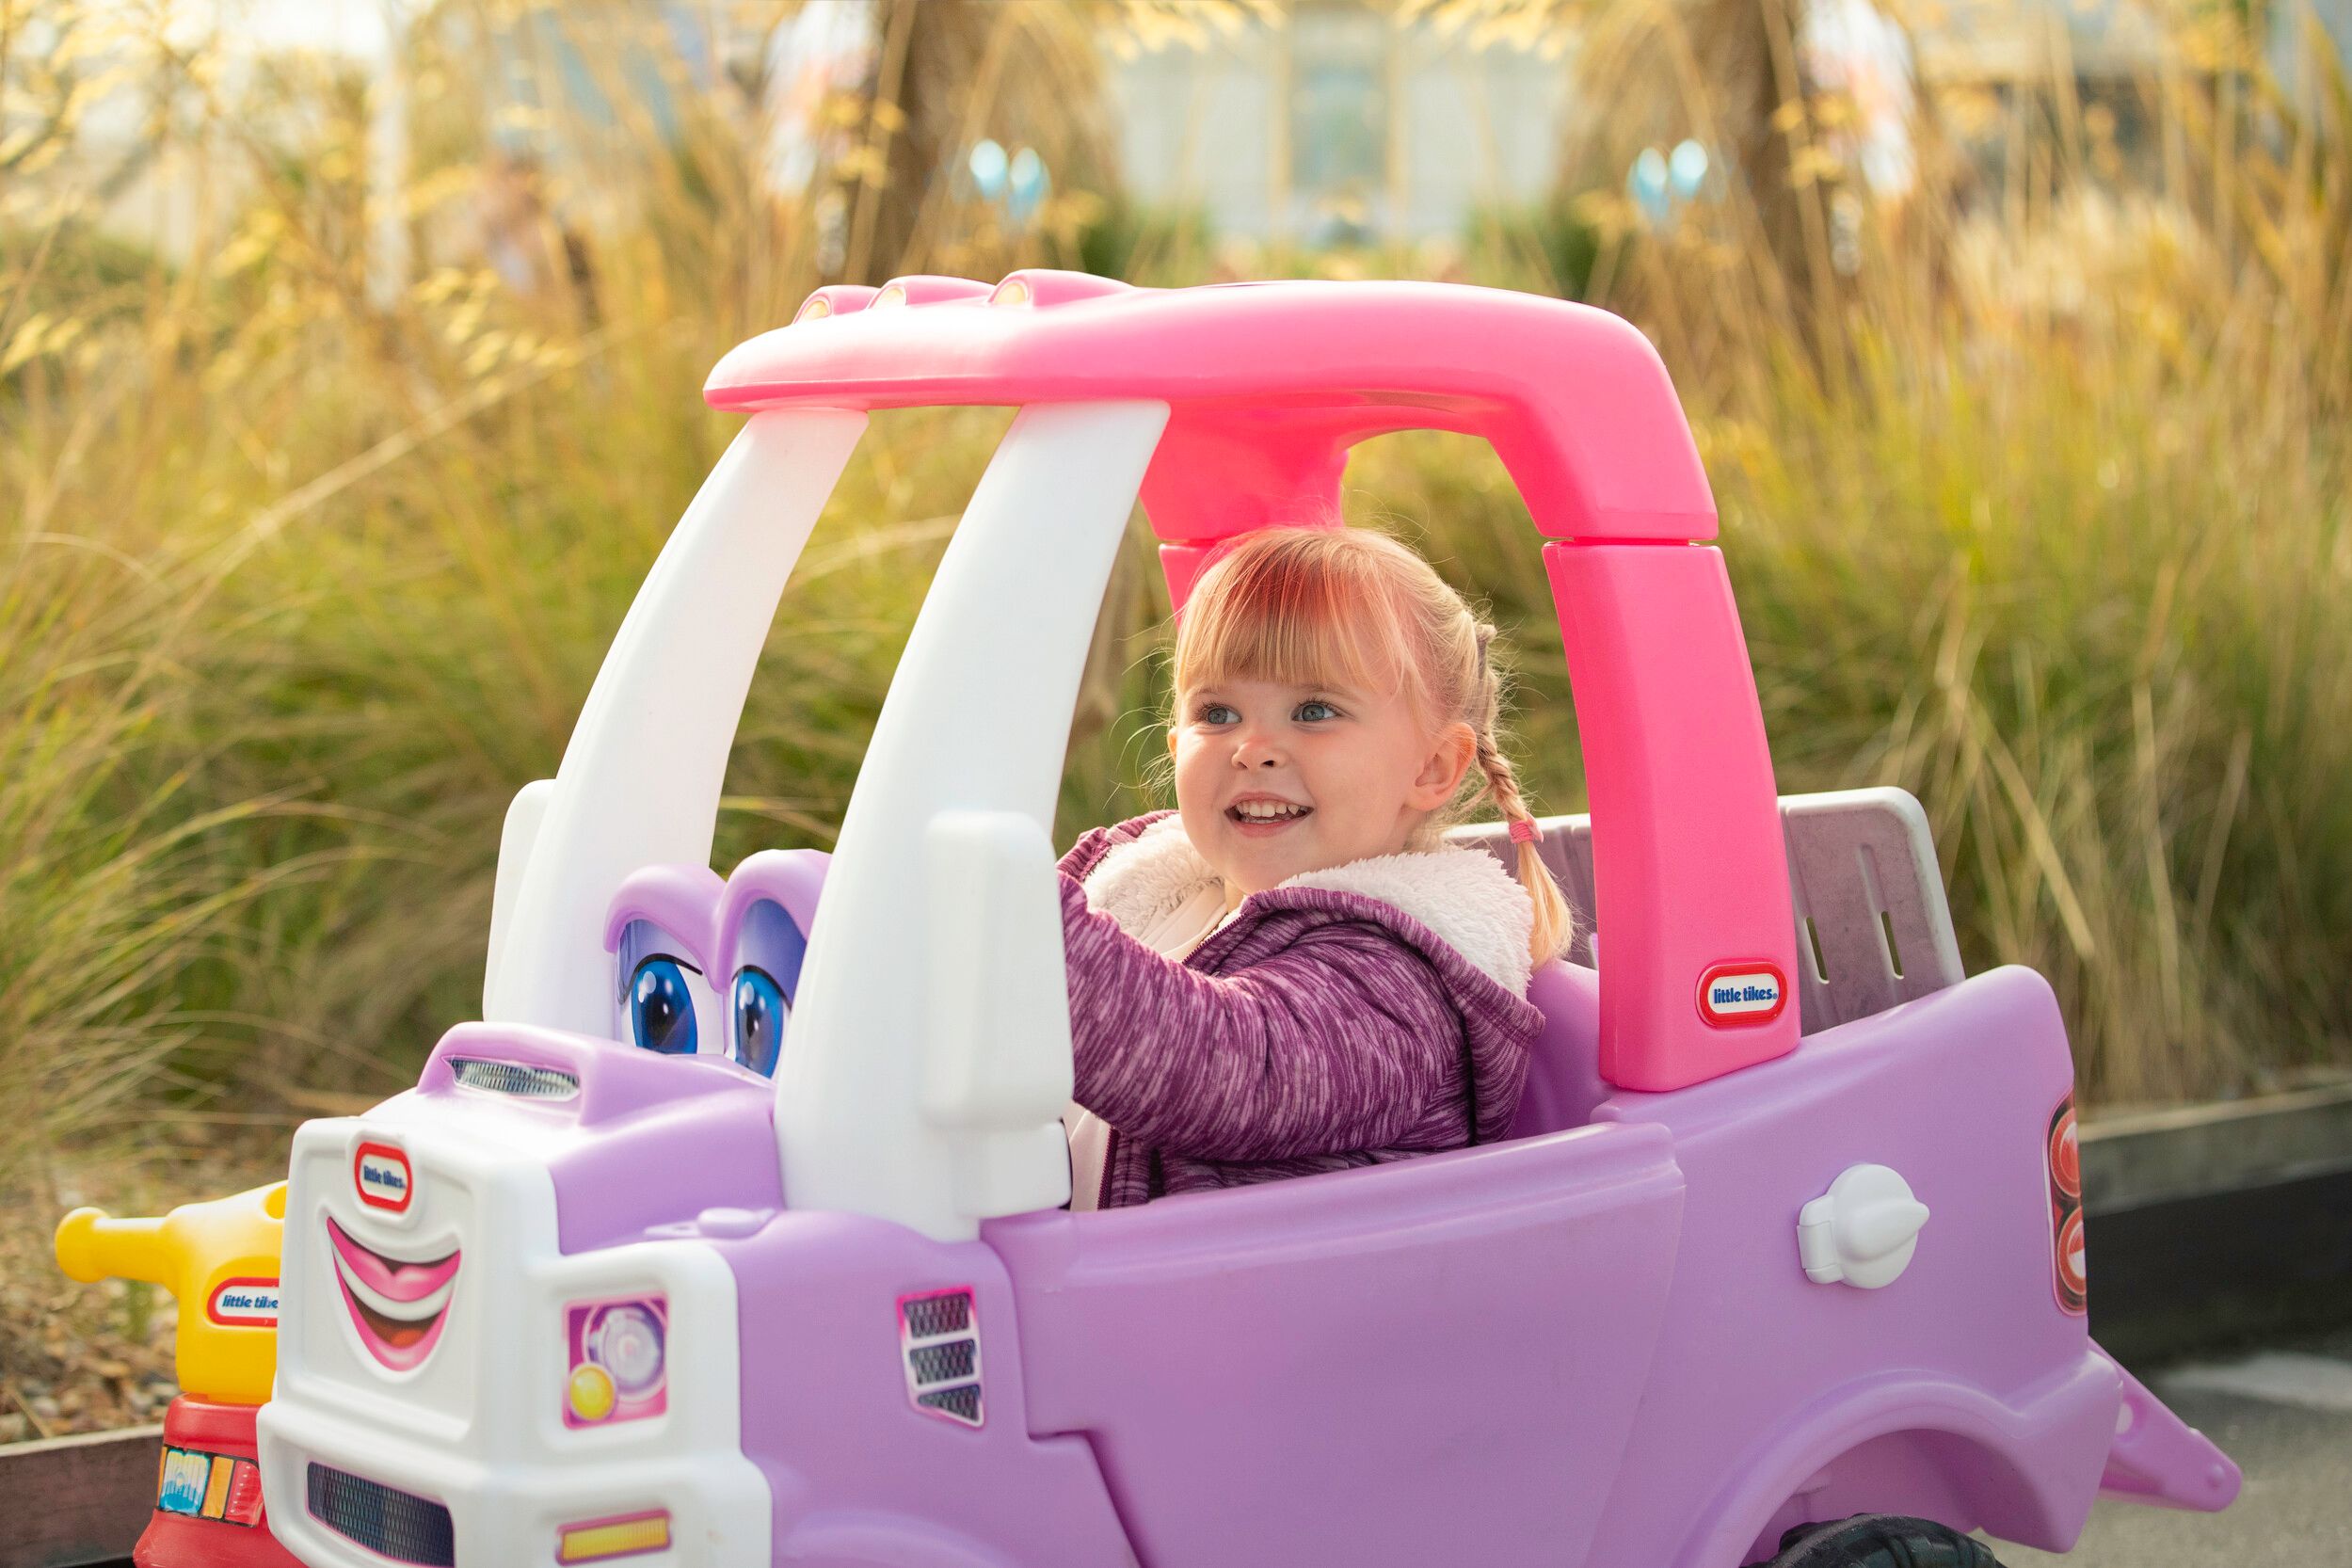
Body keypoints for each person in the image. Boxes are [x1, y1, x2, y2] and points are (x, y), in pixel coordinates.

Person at [1058, 526, 1576, 1210]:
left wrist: (1036, 942)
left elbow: (1232, 1071)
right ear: (1175, 742)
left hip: (1261, 1308)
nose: (1252, 748)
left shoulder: (1399, 979)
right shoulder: (1136, 875)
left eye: (1313, 711)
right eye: (1218, 712)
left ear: (1431, 767)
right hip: (1067, 1273)